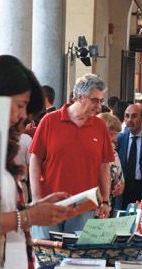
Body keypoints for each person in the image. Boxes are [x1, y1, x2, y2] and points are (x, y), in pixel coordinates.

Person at [0, 55, 72, 269]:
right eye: (20, 105)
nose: (21, 115)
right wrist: (30, 217)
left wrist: (33, 210)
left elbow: (3, 213)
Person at [29, 73, 114, 238]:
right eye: (95, 100)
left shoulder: (99, 126)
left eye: (101, 101)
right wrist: (37, 199)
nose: (99, 107)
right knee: (47, 257)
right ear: (80, 98)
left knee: (78, 261)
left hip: (84, 207)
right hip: (50, 204)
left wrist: (105, 201)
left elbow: (104, 166)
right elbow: (35, 159)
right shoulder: (49, 121)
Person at [97, 112, 125, 214]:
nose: (114, 139)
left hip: (107, 206)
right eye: (112, 134)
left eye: (116, 134)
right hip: (90, 206)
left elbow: (120, 180)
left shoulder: (114, 154)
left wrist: (119, 187)